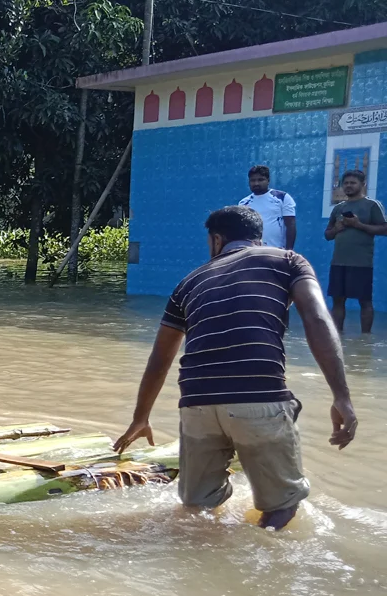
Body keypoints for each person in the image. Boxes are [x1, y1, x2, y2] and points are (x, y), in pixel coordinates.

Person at [115, 206, 356, 531]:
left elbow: (160, 359)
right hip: (257, 399)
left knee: (196, 510)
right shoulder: (288, 261)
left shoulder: (189, 282)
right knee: (282, 506)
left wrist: (140, 417)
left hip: (196, 405)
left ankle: (197, 569)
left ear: (216, 239)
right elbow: (316, 319)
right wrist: (341, 396)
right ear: (258, 236)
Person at [324, 170, 387, 334]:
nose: (348, 186)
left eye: (353, 183)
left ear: (363, 184)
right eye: (346, 183)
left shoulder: (372, 205)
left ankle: (365, 339)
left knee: (365, 302)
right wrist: (336, 229)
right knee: (337, 301)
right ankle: (337, 336)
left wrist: (359, 225)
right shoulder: (339, 208)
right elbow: (327, 234)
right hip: (338, 262)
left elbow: (384, 229)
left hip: (361, 263)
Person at [238, 165, 296, 250]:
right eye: (253, 180)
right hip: (252, 253)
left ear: (268, 180)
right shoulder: (243, 203)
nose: (256, 183)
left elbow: (291, 225)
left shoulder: (282, 198)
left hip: (277, 251)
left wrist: (289, 250)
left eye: (260, 180)